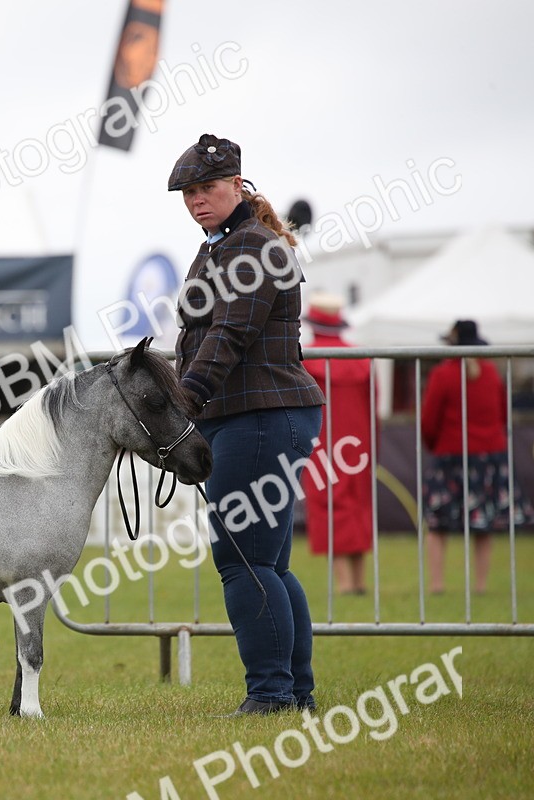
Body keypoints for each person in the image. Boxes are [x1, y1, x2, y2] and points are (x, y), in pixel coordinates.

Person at [169, 133, 325, 715]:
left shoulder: (252, 247)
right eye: (188, 192)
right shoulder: (222, 245)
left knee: (244, 561)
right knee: (268, 564)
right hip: (250, 416)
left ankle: (272, 696)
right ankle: (293, 695)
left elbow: (228, 335)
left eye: (206, 188)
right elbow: (197, 337)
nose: (195, 200)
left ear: (237, 183)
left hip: (261, 415)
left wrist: (184, 401)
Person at [421, 319, 530, 594]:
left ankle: (437, 584)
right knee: (484, 524)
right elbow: (502, 415)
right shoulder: (490, 372)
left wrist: (437, 446)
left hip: (450, 457)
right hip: (488, 458)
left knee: (437, 524)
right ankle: (480, 586)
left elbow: (428, 420)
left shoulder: (443, 374)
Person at [301, 293, 375, 596]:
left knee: (330, 504)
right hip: (358, 443)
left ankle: (344, 582)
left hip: (322, 442)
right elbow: (374, 404)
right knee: (358, 505)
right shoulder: (361, 358)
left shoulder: (305, 358)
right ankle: (358, 579)